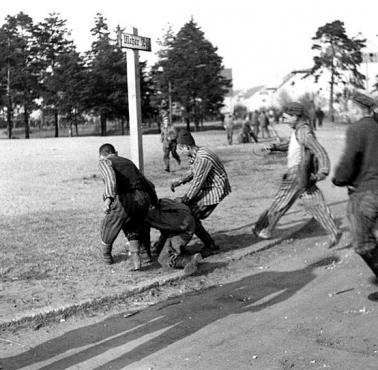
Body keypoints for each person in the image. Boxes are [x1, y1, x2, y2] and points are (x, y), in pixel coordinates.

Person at [252, 102, 341, 248]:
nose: (284, 120)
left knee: (281, 202)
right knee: (315, 203)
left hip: (296, 173)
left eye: (287, 117)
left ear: (295, 116)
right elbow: (292, 144)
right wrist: (274, 147)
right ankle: (333, 231)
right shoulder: (299, 130)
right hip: (304, 175)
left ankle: (263, 230)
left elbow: (320, 151)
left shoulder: (304, 132)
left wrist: (323, 171)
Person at [332, 92, 378, 279]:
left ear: (358, 110)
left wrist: (339, 179)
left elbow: (349, 160)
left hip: (366, 191)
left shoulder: (357, 129)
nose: (347, 112)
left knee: (362, 242)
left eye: (349, 109)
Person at [170, 129, 231, 257]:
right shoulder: (197, 153)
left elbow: (198, 181)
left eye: (181, 150)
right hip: (207, 187)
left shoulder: (203, 158)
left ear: (186, 147)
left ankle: (210, 245)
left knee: (191, 216)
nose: (181, 153)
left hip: (215, 189)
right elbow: (193, 171)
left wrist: (186, 198)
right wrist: (179, 181)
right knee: (189, 213)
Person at [98, 143, 158, 270]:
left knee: (109, 225)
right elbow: (146, 182)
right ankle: (140, 259)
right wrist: (154, 200)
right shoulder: (128, 161)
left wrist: (108, 199)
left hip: (125, 199)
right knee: (134, 226)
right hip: (143, 198)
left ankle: (107, 257)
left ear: (101, 156)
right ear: (116, 152)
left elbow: (110, 179)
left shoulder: (105, 162)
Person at [144, 198, 202, 275]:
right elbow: (165, 230)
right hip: (188, 222)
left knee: (163, 259)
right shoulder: (163, 201)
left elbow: (142, 236)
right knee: (167, 246)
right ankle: (182, 251)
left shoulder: (146, 215)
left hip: (181, 229)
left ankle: (188, 261)